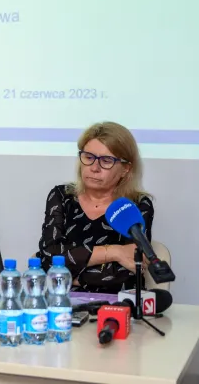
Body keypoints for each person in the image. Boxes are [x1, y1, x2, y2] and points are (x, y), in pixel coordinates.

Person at [38, 121, 154, 293]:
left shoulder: (137, 205)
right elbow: (48, 257)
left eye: (106, 160)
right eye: (89, 157)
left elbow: (127, 272)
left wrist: (68, 275)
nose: (94, 168)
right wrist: (114, 252)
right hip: (61, 304)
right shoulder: (62, 197)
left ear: (125, 169)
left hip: (117, 306)